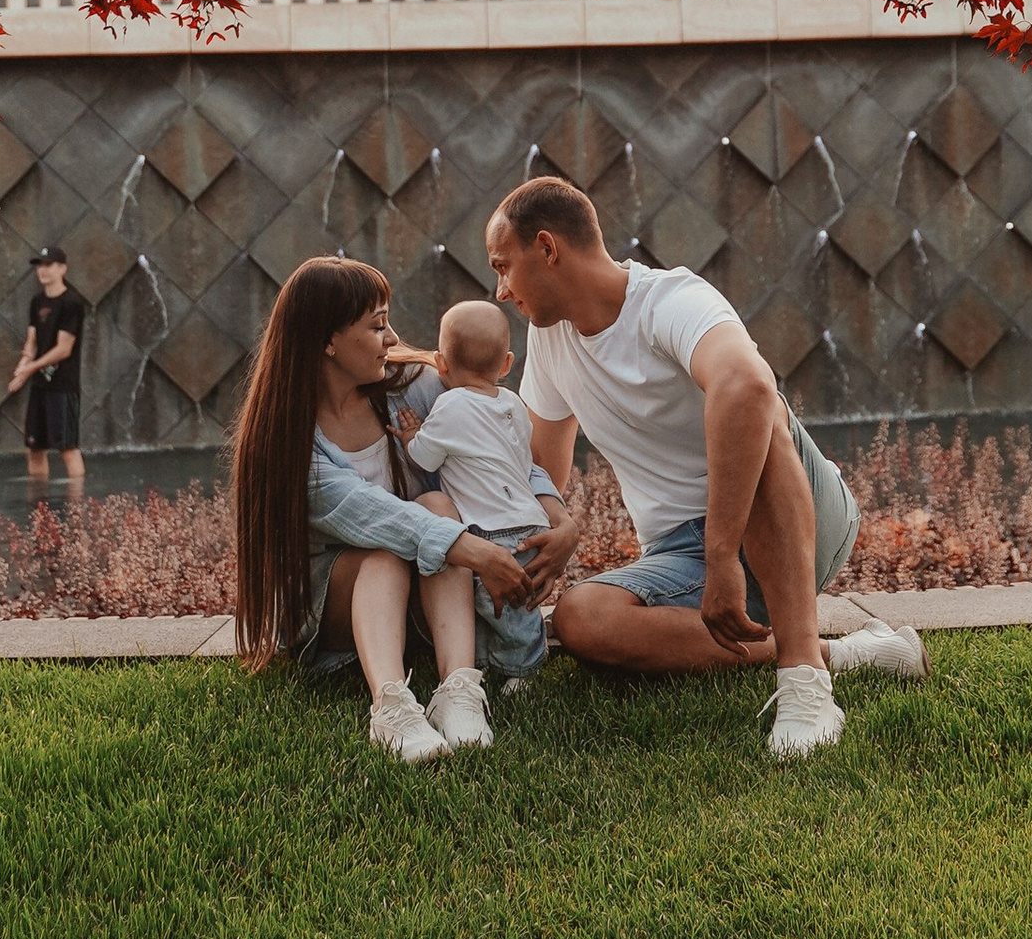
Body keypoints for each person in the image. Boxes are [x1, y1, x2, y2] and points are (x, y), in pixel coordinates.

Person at [488, 175, 924, 762]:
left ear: (547, 249)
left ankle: (805, 681)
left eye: (502, 266)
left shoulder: (669, 300)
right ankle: (844, 652)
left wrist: (722, 557)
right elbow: (540, 467)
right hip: (680, 551)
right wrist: (555, 525)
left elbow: (746, 387)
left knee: (752, 405)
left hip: (792, 515)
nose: (499, 291)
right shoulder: (550, 342)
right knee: (581, 617)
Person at [231, 255, 542, 762]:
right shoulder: (289, 441)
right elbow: (374, 515)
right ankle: (392, 709)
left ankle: (459, 692)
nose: (394, 339)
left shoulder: (414, 387)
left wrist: (557, 513)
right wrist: (479, 553)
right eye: (377, 327)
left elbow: (501, 445)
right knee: (387, 547)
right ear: (327, 341)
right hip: (337, 600)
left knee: (438, 505)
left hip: (423, 584)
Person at [400, 296, 567, 688]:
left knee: (491, 603)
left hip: (486, 529)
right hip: (529, 520)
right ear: (506, 364)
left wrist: (412, 435)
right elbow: (524, 459)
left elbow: (424, 459)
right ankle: (512, 659)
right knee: (519, 604)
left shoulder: (448, 405)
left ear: (441, 364)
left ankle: (523, 668)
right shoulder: (513, 404)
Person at [5, 247, 87, 495]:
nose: (42, 270)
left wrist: (29, 369)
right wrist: (25, 361)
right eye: (39, 265)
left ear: (62, 268)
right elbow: (32, 339)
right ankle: (38, 504)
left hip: (63, 385)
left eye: (48, 265)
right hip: (40, 386)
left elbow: (64, 349)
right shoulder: (37, 302)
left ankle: (75, 504)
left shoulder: (72, 303)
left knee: (67, 447)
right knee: (35, 447)